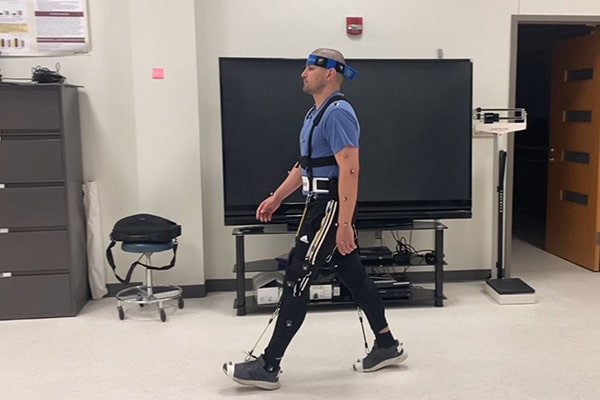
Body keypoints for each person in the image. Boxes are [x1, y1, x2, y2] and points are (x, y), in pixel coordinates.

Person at [223, 48, 407, 390]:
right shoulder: (314, 115)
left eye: (310, 68)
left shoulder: (339, 113)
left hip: (330, 208)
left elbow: (350, 168)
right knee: (355, 278)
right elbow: (305, 165)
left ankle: (268, 366)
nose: (302, 73)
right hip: (315, 205)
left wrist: (345, 223)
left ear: (330, 73)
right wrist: (278, 196)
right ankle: (386, 345)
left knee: (297, 276)